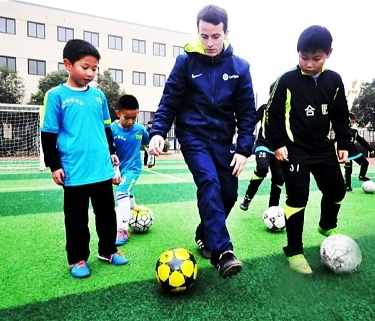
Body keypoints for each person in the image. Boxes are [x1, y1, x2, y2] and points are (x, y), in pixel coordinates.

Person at [148, 4, 256, 279]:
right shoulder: (185, 62)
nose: (209, 43)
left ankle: (204, 233)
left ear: (226, 33)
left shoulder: (240, 68)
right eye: (204, 36)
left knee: (228, 193)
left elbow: (246, 113)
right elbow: (169, 99)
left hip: (223, 140)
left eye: (215, 36)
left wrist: (244, 149)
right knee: (208, 181)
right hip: (193, 135)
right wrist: (158, 131)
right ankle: (222, 253)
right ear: (198, 32)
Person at [264, 25, 351, 275]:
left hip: (323, 148)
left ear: (329, 54)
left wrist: (343, 143)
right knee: (298, 198)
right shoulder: (286, 81)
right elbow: (272, 115)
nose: (309, 63)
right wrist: (278, 143)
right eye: (304, 57)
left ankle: (326, 224)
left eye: (316, 58)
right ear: (297, 52)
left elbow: (341, 114)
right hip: (294, 150)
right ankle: (294, 249)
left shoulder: (334, 80)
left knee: (336, 190)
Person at [40, 39, 127, 279]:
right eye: (85, 67)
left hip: (101, 168)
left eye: (94, 68)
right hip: (74, 170)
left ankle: (108, 250)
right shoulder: (56, 96)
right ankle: (77, 259)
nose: (90, 73)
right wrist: (54, 165)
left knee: (107, 214)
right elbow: (48, 133)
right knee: (77, 219)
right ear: (68, 64)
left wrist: (112, 153)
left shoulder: (99, 96)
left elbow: (106, 128)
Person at [111, 94, 150, 245]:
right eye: (127, 117)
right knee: (127, 192)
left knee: (122, 193)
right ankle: (133, 208)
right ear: (118, 113)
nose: (131, 121)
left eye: (135, 117)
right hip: (116, 167)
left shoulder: (140, 129)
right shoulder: (111, 130)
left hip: (133, 168)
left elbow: (147, 144)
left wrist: (151, 158)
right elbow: (109, 152)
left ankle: (122, 230)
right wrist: (115, 170)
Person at [240, 85, 284, 211]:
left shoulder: (286, 112)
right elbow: (251, 122)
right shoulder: (264, 108)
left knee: (279, 178)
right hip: (263, 145)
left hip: (278, 149)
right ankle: (248, 197)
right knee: (262, 168)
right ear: (270, 94)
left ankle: (273, 208)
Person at [344, 113, 375, 192]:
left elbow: (362, 141)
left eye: (354, 122)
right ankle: (347, 186)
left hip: (354, 151)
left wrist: (370, 149)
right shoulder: (341, 131)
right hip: (345, 152)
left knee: (365, 162)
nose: (353, 123)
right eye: (352, 121)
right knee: (348, 169)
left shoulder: (354, 132)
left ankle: (362, 176)